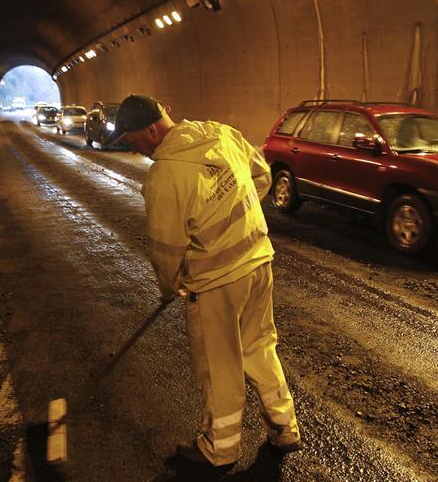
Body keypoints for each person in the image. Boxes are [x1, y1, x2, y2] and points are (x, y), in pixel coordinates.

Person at [103, 95, 302, 467]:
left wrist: (170, 287)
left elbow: (166, 250)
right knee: (259, 346)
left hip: (217, 281)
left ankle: (220, 448)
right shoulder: (220, 133)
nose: (134, 149)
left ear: (151, 129)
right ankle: (284, 425)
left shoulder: (165, 177)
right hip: (259, 261)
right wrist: (236, 220)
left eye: (132, 140)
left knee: (220, 364)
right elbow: (261, 175)